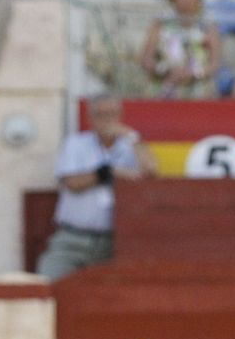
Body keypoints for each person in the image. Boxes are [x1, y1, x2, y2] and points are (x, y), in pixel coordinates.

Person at [35, 96, 157, 283]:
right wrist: (108, 173)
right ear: (91, 118)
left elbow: (151, 173)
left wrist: (132, 136)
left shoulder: (129, 146)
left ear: (120, 116)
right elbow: (72, 183)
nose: (106, 120)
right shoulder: (76, 144)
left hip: (114, 241)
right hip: (73, 237)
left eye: (111, 114)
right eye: (100, 115)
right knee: (48, 283)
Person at [140, 0, 221, 99]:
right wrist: (165, 71)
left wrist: (193, 74)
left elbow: (214, 64)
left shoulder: (208, 23)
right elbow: (146, 60)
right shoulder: (160, 22)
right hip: (165, 86)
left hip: (199, 90)